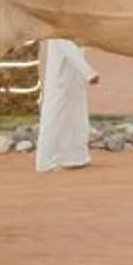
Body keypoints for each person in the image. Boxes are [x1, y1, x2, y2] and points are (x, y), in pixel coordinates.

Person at [35, 38, 97, 173]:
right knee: (54, 117)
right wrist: (88, 72)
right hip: (60, 79)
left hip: (74, 79)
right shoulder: (58, 31)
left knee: (76, 116)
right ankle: (46, 161)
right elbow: (68, 49)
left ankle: (76, 156)